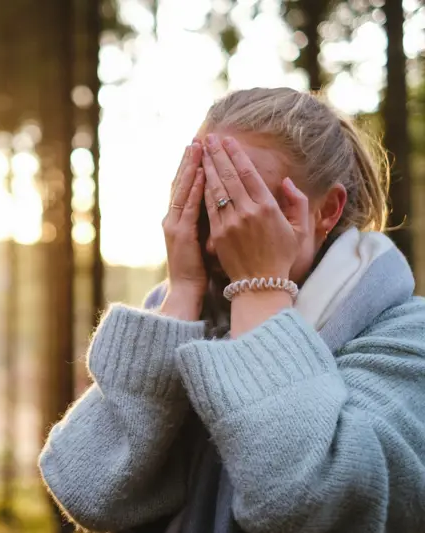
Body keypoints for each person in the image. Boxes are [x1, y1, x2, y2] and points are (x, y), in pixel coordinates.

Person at [38, 87, 425, 533]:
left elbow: (314, 503)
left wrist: (261, 290)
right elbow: (90, 494)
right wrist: (181, 292)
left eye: (246, 204)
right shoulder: (184, 322)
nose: (218, 238)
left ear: (329, 210)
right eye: (209, 205)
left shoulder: (405, 337)